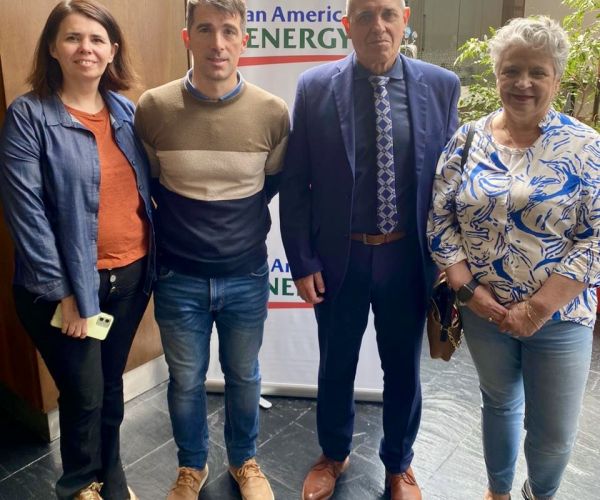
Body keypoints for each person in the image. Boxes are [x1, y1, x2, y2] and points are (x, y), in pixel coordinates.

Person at [279, 0, 460, 498]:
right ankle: (333, 454)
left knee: (403, 368)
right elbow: (296, 183)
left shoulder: (441, 86)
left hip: (408, 258)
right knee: (336, 363)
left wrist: (450, 260)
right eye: (363, 16)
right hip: (340, 259)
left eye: (386, 14)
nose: (376, 26)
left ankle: (399, 464)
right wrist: (302, 261)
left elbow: (452, 183)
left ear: (405, 19)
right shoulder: (315, 87)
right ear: (346, 26)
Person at [428, 16, 600, 500]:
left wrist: (536, 309)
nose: (523, 82)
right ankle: (498, 491)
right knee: (499, 404)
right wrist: (469, 292)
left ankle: (538, 494)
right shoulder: (467, 140)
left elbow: (595, 240)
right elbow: (440, 219)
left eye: (537, 72)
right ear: (497, 75)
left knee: (554, 431)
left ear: (556, 80)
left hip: (560, 316)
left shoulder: (586, 147)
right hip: (483, 310)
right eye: (512, 70)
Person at [134, 1, 289, 499]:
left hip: (246, 275)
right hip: (177, 276)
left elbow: (269, 185)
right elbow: (150, 183)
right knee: (185, 381)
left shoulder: (272, 113)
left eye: (228, 31)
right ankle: (191, 467)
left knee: (244, 375)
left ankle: (245, 462)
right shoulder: (153, 108)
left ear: (244, 39)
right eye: (205, 30)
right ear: (188, 38)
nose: (217, 43)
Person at [0, 1, 155, 499]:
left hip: (129, 279)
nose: (85, 48)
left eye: (96, 39)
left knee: (109, 388)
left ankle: (111, 477)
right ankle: (78, 485)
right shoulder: (29, 116)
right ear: (52, 47)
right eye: (72, 37)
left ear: (112, 51)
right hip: (63, 292)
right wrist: (66, 295)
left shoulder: (127, 113)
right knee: (85, 394)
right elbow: (26, 215)